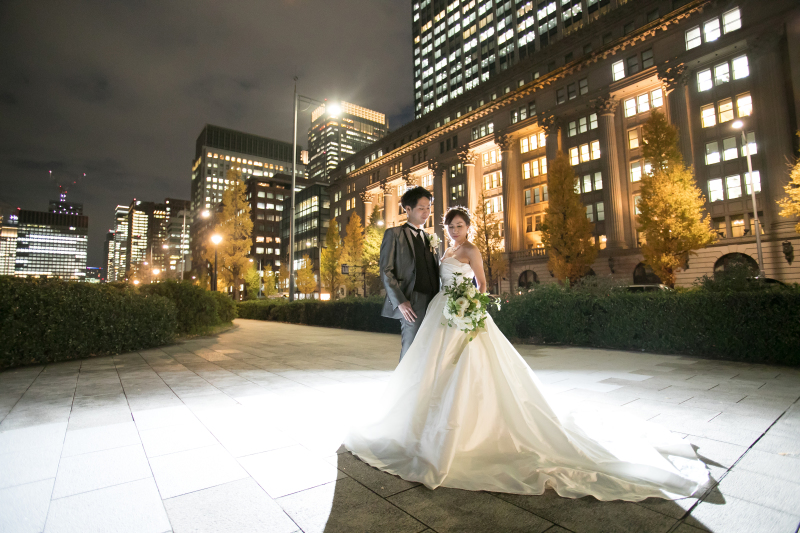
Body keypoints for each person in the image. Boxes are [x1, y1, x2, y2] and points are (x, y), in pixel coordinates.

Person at [344, 206, 710, 501]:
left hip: (466, 311)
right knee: (433, 368)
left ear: (468, 227)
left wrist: (472, 304)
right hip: (443, 312)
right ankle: (426, 428)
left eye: (459, 225)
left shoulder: (471, 250)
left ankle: (466, 434)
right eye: (450, 226)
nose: (455, 230)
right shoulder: (445, 251)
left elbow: (482, 284)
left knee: (473, 367)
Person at [378, 186, 440, 361]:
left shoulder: (429, 238)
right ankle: (404, 385)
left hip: (434, 300)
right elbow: (386, 271)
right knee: (411, 346)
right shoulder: (394, 234)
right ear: (408, 209)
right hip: (412, 300)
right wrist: (400, 302)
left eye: (428, 207)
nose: (426, 212)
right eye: (421, 208)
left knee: (430, 346)